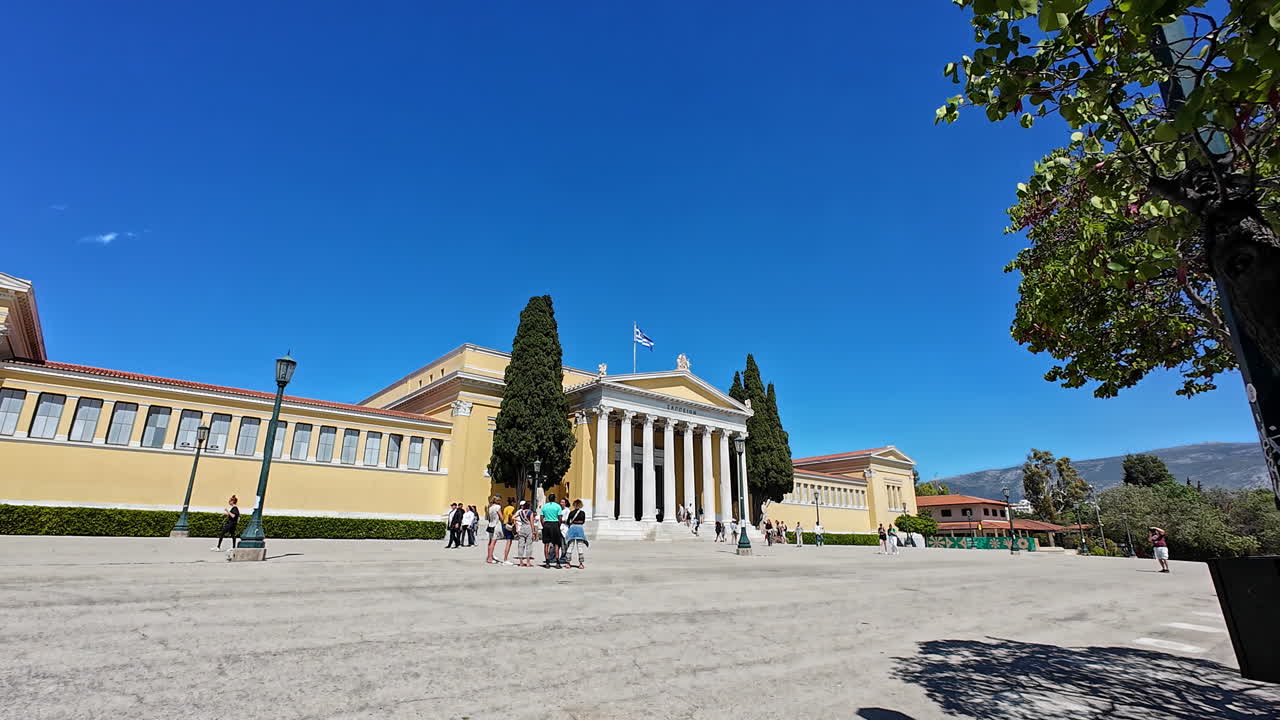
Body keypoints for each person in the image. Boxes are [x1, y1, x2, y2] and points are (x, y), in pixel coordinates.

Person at [541, 493, 564, 568]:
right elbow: (560, 517)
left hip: (547, 524)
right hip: (555, 524)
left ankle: (547, 562)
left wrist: (543, 524)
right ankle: (557, 562)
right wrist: (558, 524)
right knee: (556, 544)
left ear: (548, 499)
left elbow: (542, 517)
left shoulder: (544, 506)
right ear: (554, 499)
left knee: (546, 544)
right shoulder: (558, 506)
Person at [565, 499, 589, 569]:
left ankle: (568, 563)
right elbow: (583, 521)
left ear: (574, 505)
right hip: (579, 529)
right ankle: (581, 564)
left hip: (572, 529)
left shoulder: (571, 513)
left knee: (571, 546)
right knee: (580, 547)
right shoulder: (582, 513)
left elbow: (568, 521)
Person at [514, 501, 535, 567]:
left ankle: (520, 562)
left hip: (522, 527)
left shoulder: (520, 512)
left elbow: (513, 517)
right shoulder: (530, 512)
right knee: (529, 545)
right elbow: (531, 522)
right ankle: (528, 562)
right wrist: (533, 531)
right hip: (528, 527)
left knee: (521, 545)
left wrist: (520, 521)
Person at [485, 496, 503, 564]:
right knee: (493, 542)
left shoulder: (490, 507)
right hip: (496, 525)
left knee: (490, 542)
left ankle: (489, 556)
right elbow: (501, 517)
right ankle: (490, 558)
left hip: (490, 525)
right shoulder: (498, 507)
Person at [499, 496, 517, 565]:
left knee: (508, 542)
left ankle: (505, 558)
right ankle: (505, 559)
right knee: (509, 543)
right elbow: (510, 515)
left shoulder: (505, 508)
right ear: (512, 502)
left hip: (504, 524)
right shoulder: (511, 508)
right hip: (508, 525)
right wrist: (513, 522)